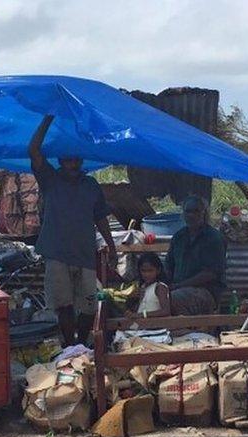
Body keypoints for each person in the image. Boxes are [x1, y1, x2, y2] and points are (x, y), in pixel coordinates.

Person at [29, 114, 116, 345]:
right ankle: (70, 347)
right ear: (60, 160)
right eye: (68, 160)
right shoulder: (50, 179)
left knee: (89, 305)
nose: (73, 164)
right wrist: (47, 120)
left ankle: (80, 343)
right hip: (57, 253)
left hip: (85, 254)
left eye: (76, 160)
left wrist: (112, 245)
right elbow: (34, 151)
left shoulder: (90, 185)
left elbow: (101, 217)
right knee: (64, 305)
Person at [166, 195, 227, 315]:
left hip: (206, 291)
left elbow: (211, 273)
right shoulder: (179, 237)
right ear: (183, 214)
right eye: (188, 211)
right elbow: (169, 265)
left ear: (204, 213)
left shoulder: (214, 238)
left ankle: (187, 329)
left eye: (196, 211)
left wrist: (178, 286)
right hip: (178, 288)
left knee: (172, 299)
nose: (191, 215)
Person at [126, 252, 171, 319]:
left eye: (150, 271)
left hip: (156, 327)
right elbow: (139, 309)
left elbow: (166, 311)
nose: (147, 274)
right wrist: (131, 299)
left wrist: (141, 315)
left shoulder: (159, 287)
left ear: (158, 270)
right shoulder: (142, 288)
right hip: (140, 326)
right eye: (143, 271)